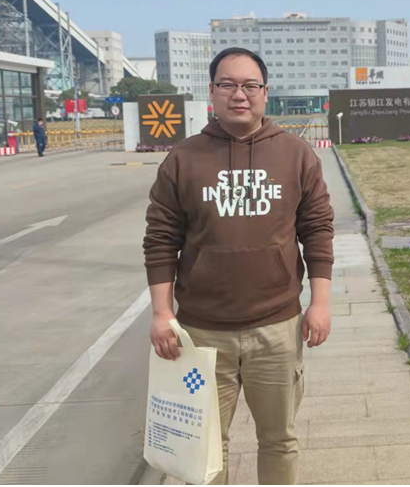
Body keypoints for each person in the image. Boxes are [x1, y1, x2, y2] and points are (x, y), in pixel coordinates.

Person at [143, 47, 334, 485]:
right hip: (203, 334)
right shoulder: (183, 159)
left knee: (280, 440)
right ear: (212, 91)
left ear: (265, 92)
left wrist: (320, 303)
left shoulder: (296, 154)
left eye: (250, 85)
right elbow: (160, 240)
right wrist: (162, 313)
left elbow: (318, 231)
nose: (239, 94)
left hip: (277, 328)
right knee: (207, 445)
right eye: (227, 84)